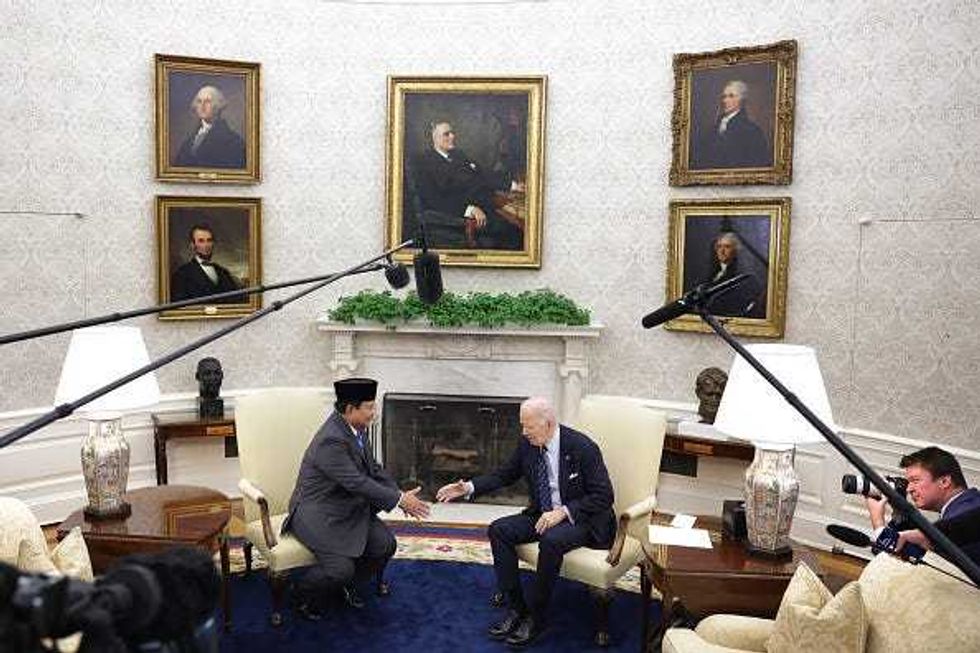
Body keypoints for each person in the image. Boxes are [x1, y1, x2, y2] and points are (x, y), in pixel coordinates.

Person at [436, 397, 615, 647]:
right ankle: (516, 608)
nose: (523, 432)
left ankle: (536, 616)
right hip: (542, 514)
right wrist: (468, 487)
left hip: (582, 520)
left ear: (548, 423)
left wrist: (563, 512)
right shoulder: (528, 444)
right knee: (499, 530)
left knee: (551, 541)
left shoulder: (582, 447)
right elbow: (505, 475)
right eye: (522, 425)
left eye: (528, 426)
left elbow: (604, 496)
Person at [282, 378, 430, 619]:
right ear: (350, 409)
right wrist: (399, 500)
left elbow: (373, 469)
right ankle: (301, 592)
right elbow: (356, 482)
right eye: (369, 407)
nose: (374, 413)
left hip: (347, 507)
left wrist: (399, 495)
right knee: (340, 570)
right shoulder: (331, 440)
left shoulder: (356, 429)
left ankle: (347, 585)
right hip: (317, 514)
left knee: (385, 545)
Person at [412, 120, 523, 250]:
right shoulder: (424, 163)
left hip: (486, 205)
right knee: (515, 233)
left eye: (452, 133)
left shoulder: (458, 155)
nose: (452, 136)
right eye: (446, 134)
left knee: (520, 221)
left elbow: (482, 174)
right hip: (461, 217)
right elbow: (434, 199)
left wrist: (512, 185)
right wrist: (468, 209)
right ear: (434, 137)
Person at [865, 446, 980, 565]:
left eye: (915, 480)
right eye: (908, 482)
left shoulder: (962, 515)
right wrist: (898, 509)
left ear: (944, 481)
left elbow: (919, 565)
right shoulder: (968, 505)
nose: (909, 489)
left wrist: (877, 520)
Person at [692, 80, 771, 169]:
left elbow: (758, 164)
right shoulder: (713, 128)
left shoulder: (752, 131)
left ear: (742, 100)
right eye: (724, 96)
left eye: (731, 96)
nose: (725, 100)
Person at [173, 85, 246, 169]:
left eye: (207, 101)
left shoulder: (234, 141)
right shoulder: (188, 142)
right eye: (199, 101)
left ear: (218, 106)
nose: (202, 106)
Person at [170, 224, 245, 304]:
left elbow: (235, 300)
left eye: (209, 240)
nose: (206, 245)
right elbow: (180, 305)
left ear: (213, 243)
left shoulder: (223, 272)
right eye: (201, 241)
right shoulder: (182, 274)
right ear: (192, 245)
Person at [700, 232, 764, 318]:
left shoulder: (744, 275)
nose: (722, 251)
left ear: (736, 250)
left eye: (727, 247)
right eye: (719, 246)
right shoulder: (710, 273)